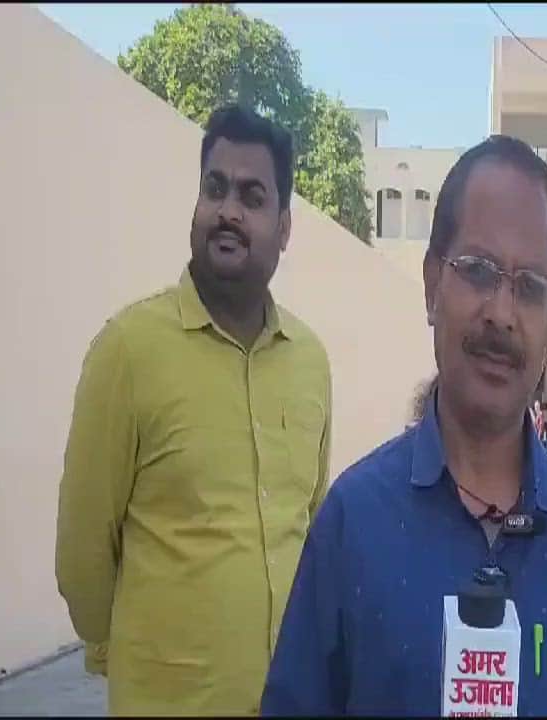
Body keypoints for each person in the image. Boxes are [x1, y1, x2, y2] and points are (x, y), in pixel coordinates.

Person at [260, 135, 547, 716]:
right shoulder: (353, 523)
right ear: (431, 285)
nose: (501, 312)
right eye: (478, 271)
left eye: (529, 287)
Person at [55, 105, 332, 716]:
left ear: (284, 227)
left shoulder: (310, 362)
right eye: (215, 189)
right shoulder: (127, 351)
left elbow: (310, 531)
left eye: (252, 195)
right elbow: (82, 553)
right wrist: (130, 656)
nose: (228, 210)